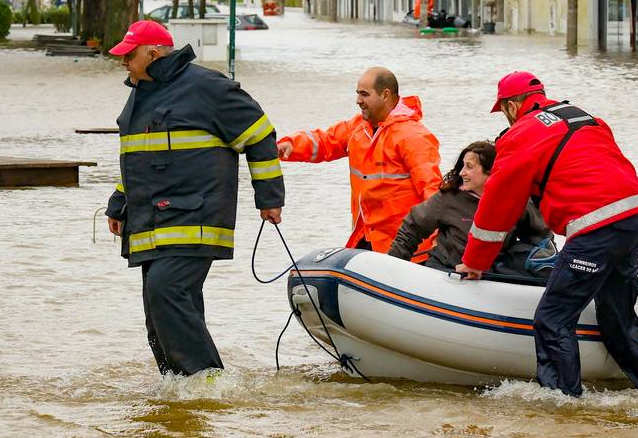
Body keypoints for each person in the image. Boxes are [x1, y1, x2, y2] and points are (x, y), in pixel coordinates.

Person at [455, 71, 638, 396]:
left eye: (504, 111)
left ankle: (565, 405)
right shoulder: (586, 117)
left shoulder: (521, 134)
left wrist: (475, 261)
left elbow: (498, 203)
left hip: (597, 228)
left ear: (512, 106)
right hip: (636, 217)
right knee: (616, 314)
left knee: (552, 317)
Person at [104, 20, 285, 377]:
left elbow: (260, 134)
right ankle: (178, 393)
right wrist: (118, 202)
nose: (123, 62)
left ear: (153, 54)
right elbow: (137, 159)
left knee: (164, 293)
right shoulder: (140, 94)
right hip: (151, 223)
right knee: (158, 311)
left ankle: (207, 383)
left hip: (196, 218)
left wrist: (269, 197)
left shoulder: (207, 88)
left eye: (129, 55)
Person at [277, 67, 441, 253]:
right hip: (367, 237)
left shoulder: (413, 136)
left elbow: (432, 190)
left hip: (406, 247)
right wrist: (290, 145)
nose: (358, 101)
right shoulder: (358, 127)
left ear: (385, 95)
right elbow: (325, 141)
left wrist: (439, 239)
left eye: (364, 94)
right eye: (358, 94)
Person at [389, 141, 553, 275]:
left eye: (469, 166)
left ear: (490, 171)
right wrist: (392, 268)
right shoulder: (448, 198)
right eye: (462, 166)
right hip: (445, 271)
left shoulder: (516, 200)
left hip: (490, 275)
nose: (461, 172)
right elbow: (412, 227)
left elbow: (540, 236)